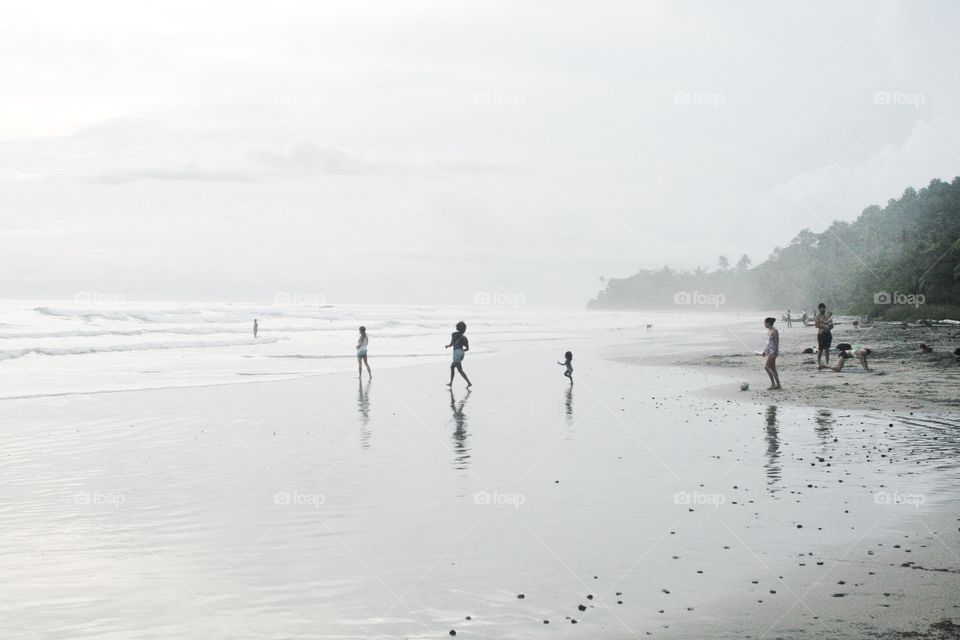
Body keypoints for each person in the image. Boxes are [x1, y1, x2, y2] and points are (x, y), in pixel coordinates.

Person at [445, 321, 472, 388]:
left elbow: (451, 343)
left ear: (457, 328)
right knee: (452, 367)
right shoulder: (465, 338)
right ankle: (451, 383)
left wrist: (448, 346)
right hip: (461, 353)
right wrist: (461, 351)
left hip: (456, 353)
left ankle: (469, 383)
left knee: (459, 370)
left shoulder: (454, 334)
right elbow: (467, 349)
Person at [762, 317, 781, 390]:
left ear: (769, 323)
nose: (764, 324)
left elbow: (776, 342)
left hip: (773, 352)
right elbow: (768, 343)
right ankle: (778, 385)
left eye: (765, 323)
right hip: (770, 351)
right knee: (773, 369)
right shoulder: (769, 331)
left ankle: (773, 384)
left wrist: (775, 352)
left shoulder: (774, 331)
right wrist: (764, 351)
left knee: (767, 367)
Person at [814, 303, 833, 368]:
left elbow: (832, 325)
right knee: (820, 349)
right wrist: (824, 326)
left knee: (827, 349)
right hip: (821, 334)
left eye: (823, 308)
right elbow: (816, 325)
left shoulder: (828, 315)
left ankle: (827, 363)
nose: (823, 309)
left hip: (828, 334)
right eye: (821, 308)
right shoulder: (817, 316)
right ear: (819, 309)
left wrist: (829, 326)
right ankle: (819, 363)